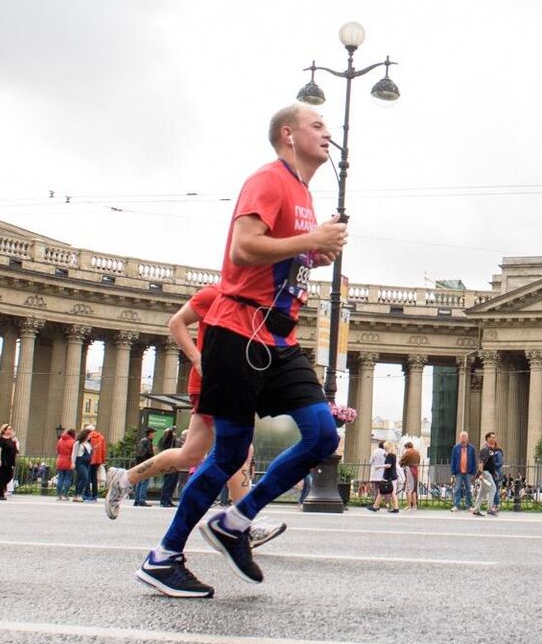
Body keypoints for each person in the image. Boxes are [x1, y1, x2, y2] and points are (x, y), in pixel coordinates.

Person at [134, 102, 348, 598]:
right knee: (228, 452)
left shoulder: (302, 194)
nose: (327, 135)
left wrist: (313, 253)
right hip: (239, 332)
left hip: (280, 336)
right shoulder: (268, 180)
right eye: (318, 126)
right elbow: (243, 249)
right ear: (288, 134)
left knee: (321, 436)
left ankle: (236, 520)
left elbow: (279, 258)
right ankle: (163, 557)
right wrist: (311, 239)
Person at [104, 289, 271, 535]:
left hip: (232, 387)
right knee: (241, 449)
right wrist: (196, 358)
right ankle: (243, 523)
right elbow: (177, 321)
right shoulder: (216, 294)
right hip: (211, 385)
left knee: (190, 455)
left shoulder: (257, 304)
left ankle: (124, 478)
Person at [474, 432, 504, 516]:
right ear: (488, 439)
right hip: (486, 472)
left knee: (482, 492)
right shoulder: (485, 449)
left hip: (489, 472)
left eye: (495, 437)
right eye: (493, 438)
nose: (495, 439)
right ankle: (490, 509)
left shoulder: (490, 449)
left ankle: (476, 509)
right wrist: (481, 473)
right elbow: (481, 462)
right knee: (493, 489)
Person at [450, 431, 478, 516]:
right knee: (457, 489)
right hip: (458, 472)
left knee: (468, 489)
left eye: (465, 437)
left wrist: (474, 472)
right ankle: (456, 505)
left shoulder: (471, 448)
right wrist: (453, 472)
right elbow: (453, 460)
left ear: (467, 438)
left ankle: (468, 505)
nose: (463, 438)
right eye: (462, 437)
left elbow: (474, 461)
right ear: (460, 438)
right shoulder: (456, 448)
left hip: (468, 472)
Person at [0, 425, 19, 500]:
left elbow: (15, 451)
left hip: (9, 461)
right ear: (4, 430)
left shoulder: (11, 440)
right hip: (3, 460)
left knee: (9, 476)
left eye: (11, 429)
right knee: (1, 477)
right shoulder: (1, 439)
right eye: (9, 429)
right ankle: (0, 494)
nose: (10, 431)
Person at [399, 437, 421, 511]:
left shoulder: (408, 452)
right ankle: (415, 506)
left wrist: (401, 464)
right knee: (414, 489)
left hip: (409, 469)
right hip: (415, 469)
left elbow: (402, 460)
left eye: (406, 448)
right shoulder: (417, 452)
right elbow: (418, 462)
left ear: (407, 447)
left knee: (408, 489)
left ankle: (409, 506)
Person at [54, 427, 76, 501]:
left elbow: (57, 450)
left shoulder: (60, 440)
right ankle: (65, 495)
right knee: (67, 479)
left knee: (60, 478)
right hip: (69, 461)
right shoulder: (73, 442)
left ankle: (58, 495)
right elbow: (74, 453)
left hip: (60, 460)